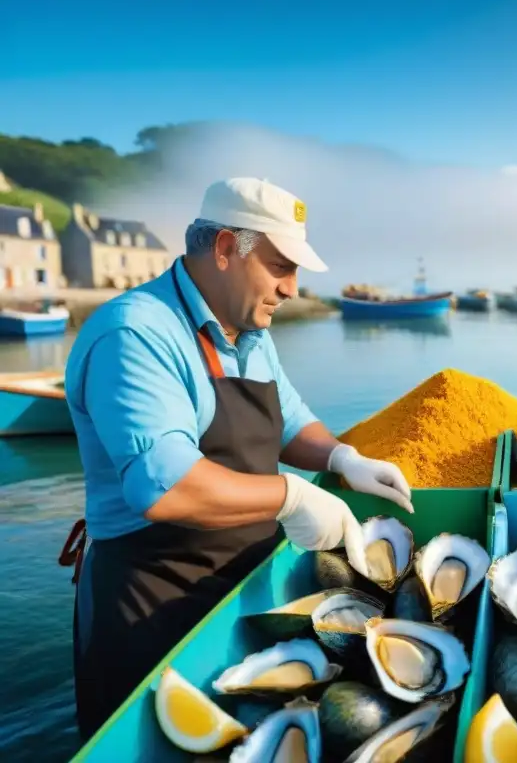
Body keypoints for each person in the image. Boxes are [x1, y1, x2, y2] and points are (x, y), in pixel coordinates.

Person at [59, 176, 415, 740]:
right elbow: (165, 486)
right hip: (154, 604)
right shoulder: (136, 334)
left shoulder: (248, 328)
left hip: (241, 589)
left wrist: (344, 458)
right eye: (280, 267)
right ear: (226, 248)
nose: (293, 288)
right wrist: (292, 496)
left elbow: (290, 423)